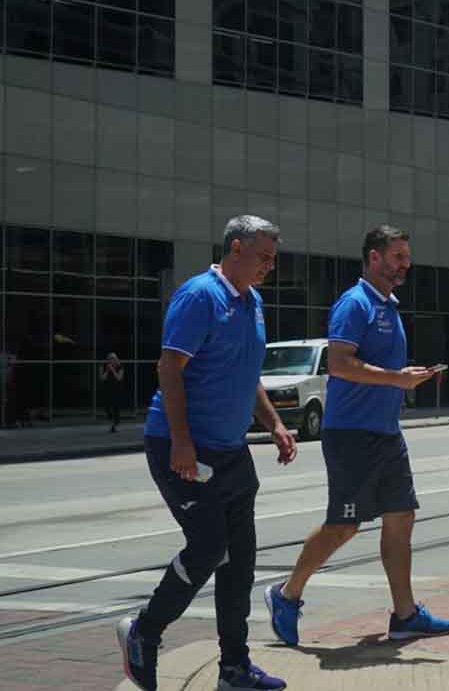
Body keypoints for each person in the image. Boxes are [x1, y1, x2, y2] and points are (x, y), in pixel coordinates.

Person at [116, 215, 296, 691]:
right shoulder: (200, 295)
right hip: (183, 450)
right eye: (263, 257)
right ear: (235, 248)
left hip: (232, 452)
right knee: (208, 548)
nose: (268, 268)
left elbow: (245, 375)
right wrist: (180, 441)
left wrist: (274, 423)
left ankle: (234, 669)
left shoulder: (253, 302)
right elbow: (169, 368)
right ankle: (143, 631)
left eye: (273, 260)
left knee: (240, 562)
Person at [264, 226, 449, 646]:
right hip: (351, 436)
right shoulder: (355, 304)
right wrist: (396, 379)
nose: (405, 264)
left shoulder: (389, 306)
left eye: (407, 256)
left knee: (402, 517)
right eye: (397, 256)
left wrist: (405, 379)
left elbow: (377, 371)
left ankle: (405, 614)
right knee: (344, 526)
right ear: (373, 257)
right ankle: (286, 595)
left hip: (386, 434)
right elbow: (339, 364)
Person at [100, 352, 125, 432]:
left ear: (116, 359)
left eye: (113, 358)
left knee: (116, 408)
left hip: (116, 389)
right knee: (106, 406)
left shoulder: (120, 367)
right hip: (107, 389)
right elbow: (102, 378)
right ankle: (111, 420)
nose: (111, 360)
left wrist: (113, 370)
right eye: (110, 359)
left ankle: (114, 425)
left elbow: (119, 378)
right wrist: (107, 370)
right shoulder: (103, 366)